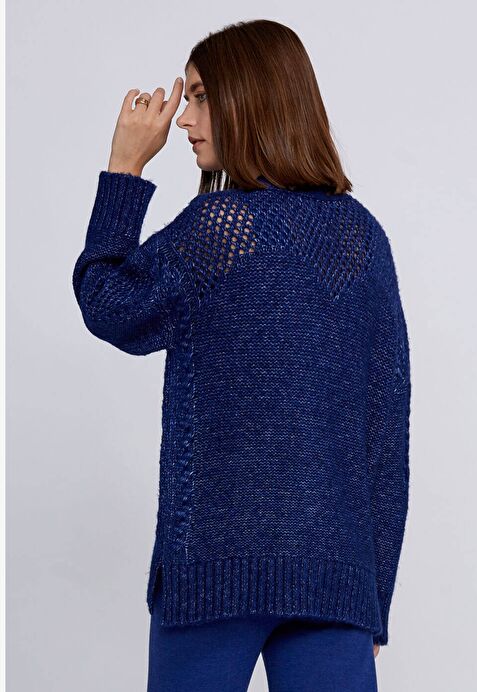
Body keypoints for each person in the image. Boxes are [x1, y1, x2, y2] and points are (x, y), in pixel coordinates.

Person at [72, 18, 411, 692]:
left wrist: (124, 168)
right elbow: (385, 435)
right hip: (335, 581)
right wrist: (373, 599)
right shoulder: (361, 239)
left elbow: (108, 303)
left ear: (250, 100)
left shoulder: (220, 229)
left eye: (200, 97)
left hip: (212, 575)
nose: (183, 119)